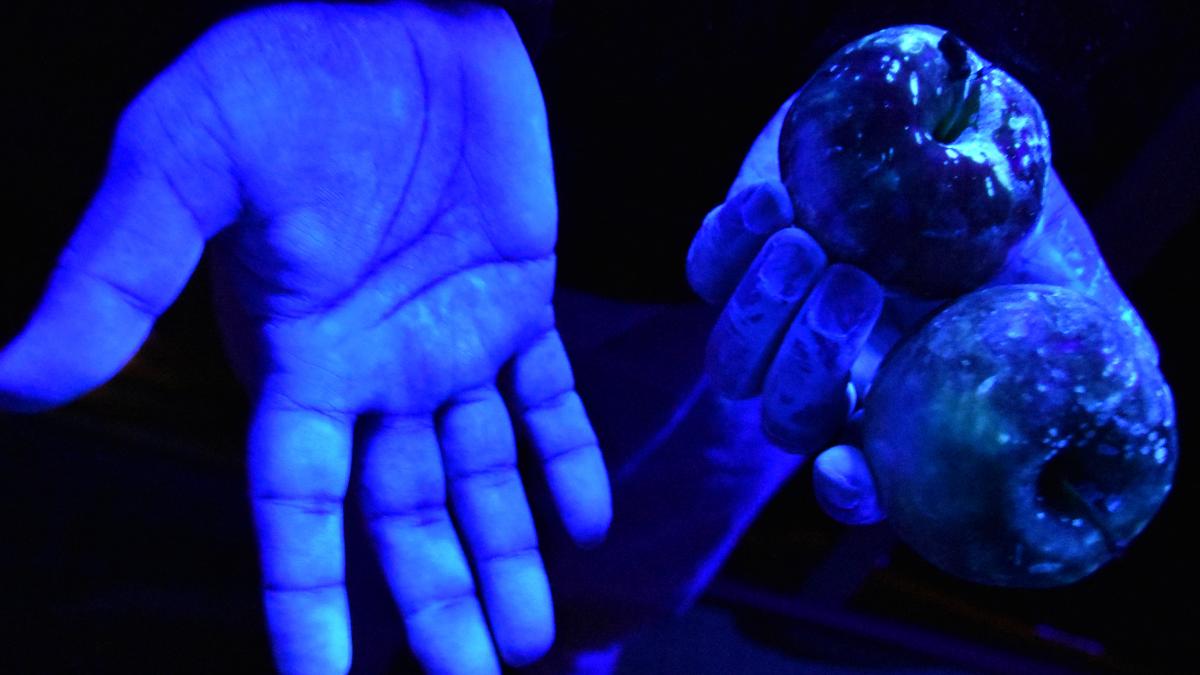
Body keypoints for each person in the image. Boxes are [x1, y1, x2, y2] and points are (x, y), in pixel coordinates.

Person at [0, 2, 1156, 673]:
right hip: (413, 200)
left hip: (789, 278)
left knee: (612, 570)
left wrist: (1001, 39)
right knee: (375, 538)